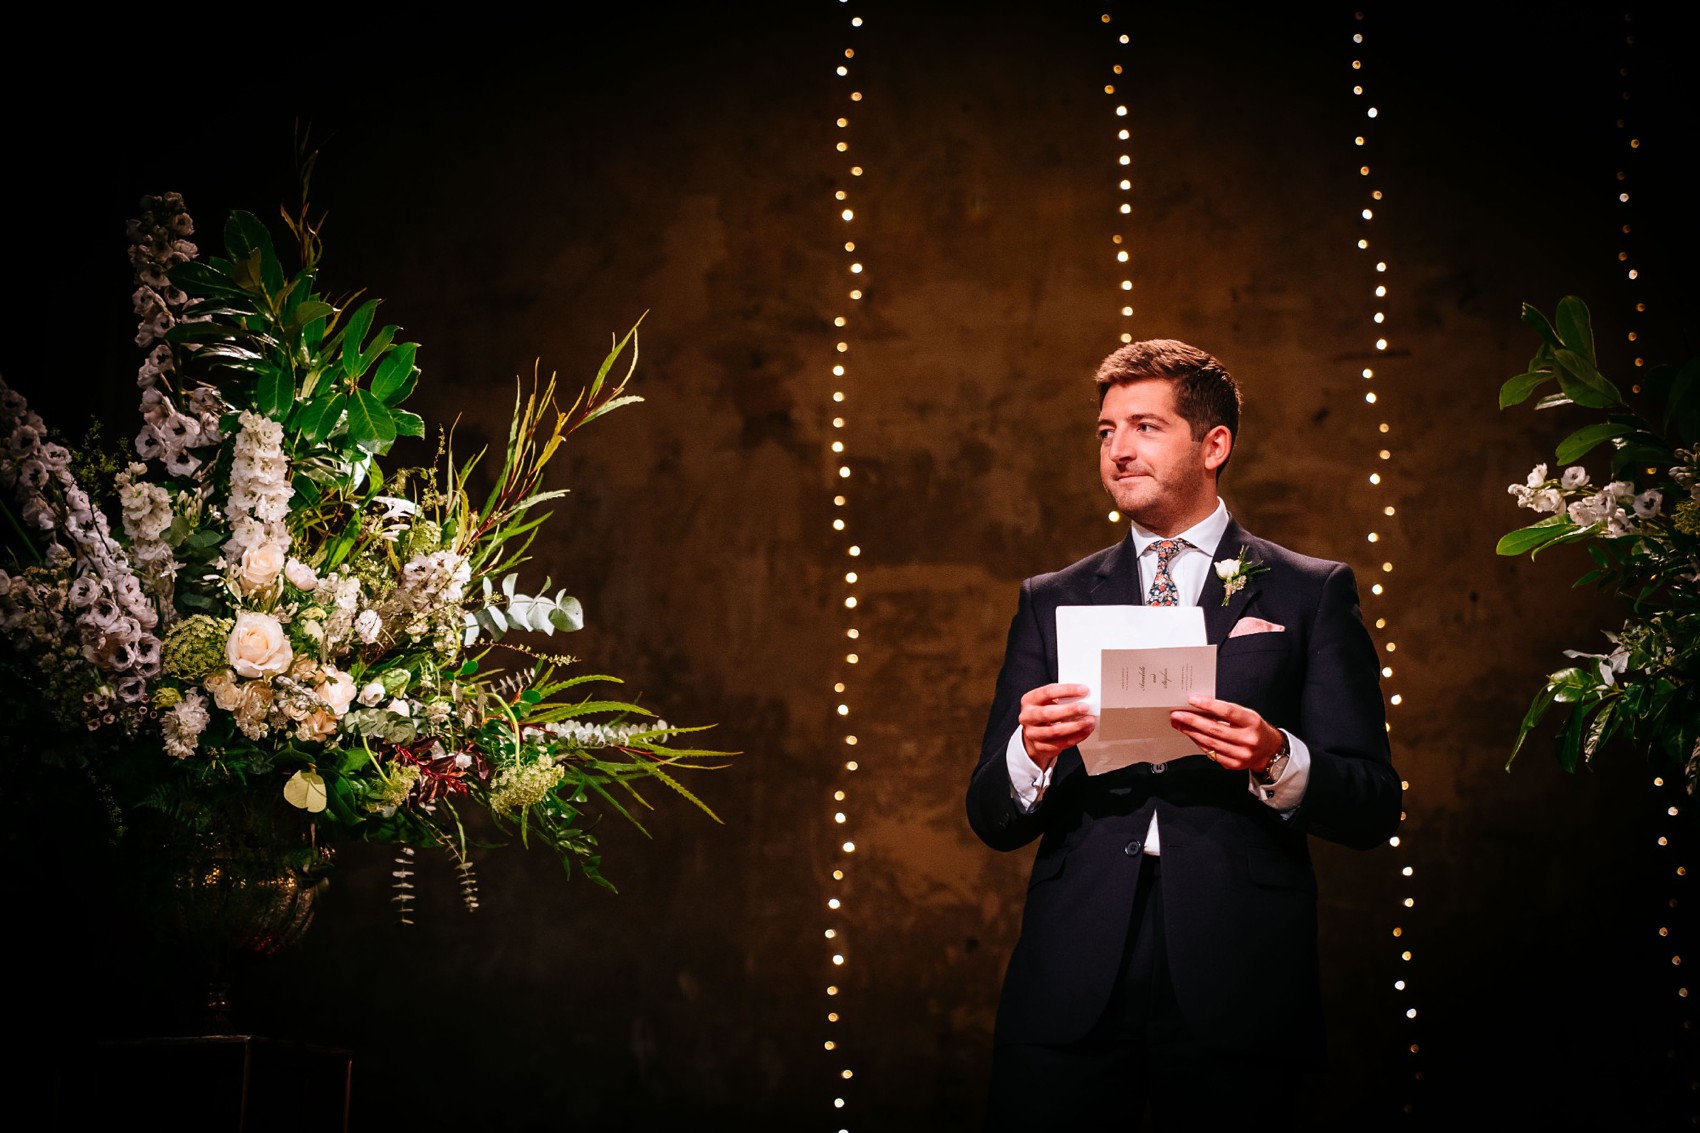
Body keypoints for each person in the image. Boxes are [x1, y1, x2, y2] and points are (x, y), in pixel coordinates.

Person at [966, 339, 1402, 1131]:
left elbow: (1373, 804)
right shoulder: (1051, 597)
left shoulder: (1308, 591)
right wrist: (1029, 753)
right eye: (1104, 431)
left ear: (1214, 445)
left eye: (1143, 425)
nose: (1118, 448)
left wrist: (1278, 758)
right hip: (1074, 971)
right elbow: (989, 813)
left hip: (1241, 968)